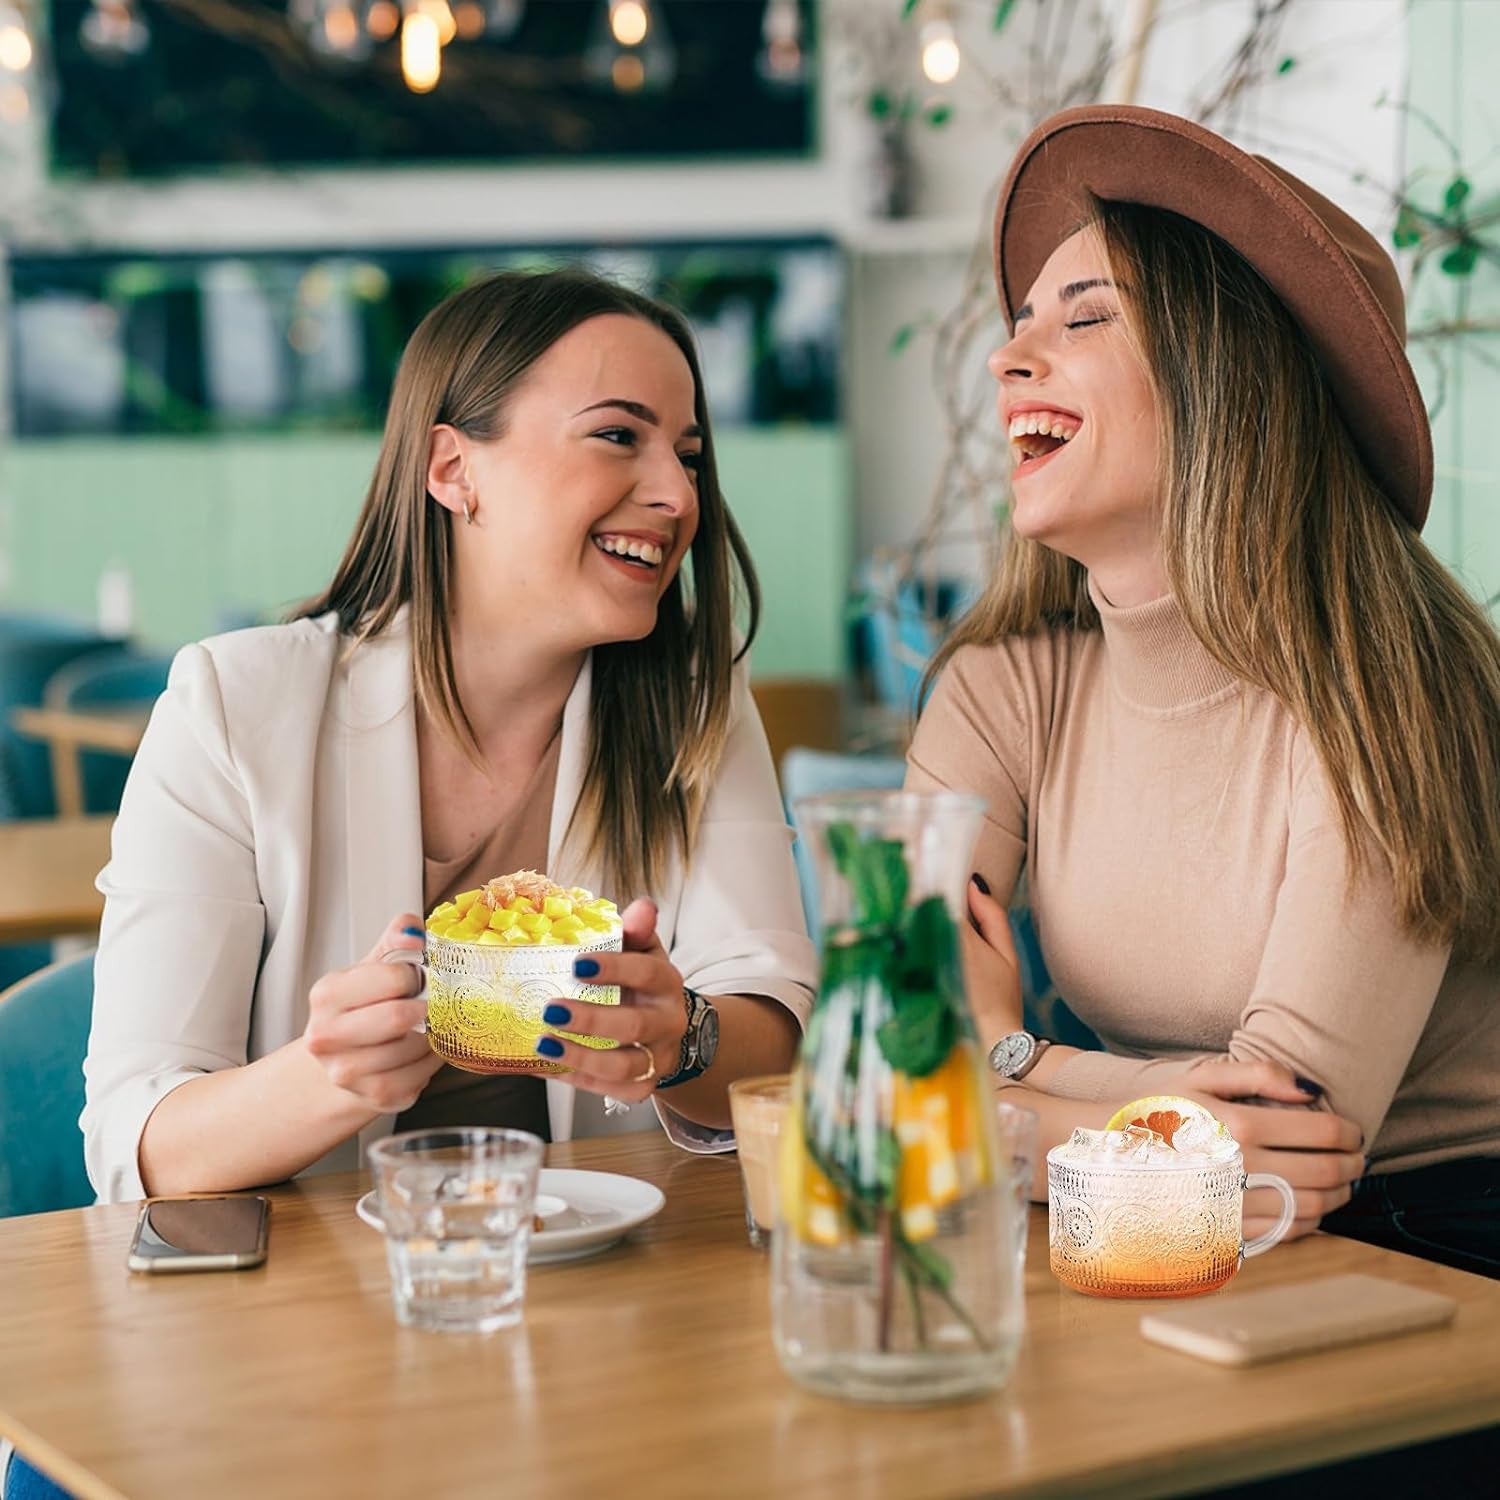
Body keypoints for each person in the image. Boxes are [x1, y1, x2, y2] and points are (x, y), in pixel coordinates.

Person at [908, 105, 1500, 1278]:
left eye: (1084, 320)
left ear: (1228, 379)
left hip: (1429, 1253)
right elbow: (895, 1054)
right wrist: (1090, 1087)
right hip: (1126, 1218)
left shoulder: (1392, 693)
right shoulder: (998, 692)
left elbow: (1284, 1159)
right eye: (1021, 323)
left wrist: (1005, 1070)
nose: (1008, 358)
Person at [82, 267, 816, 1204]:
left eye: (690, 452)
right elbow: (135, 1142)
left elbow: (776, 1038)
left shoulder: (695, 704)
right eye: (618, 436)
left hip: (611, 1291)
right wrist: (328, 1076)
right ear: (452, 470)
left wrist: (681, 1035)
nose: (678, 494)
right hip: (309, 1312)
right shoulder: (231, 706)